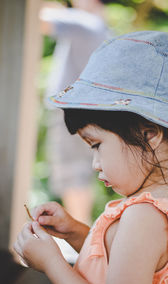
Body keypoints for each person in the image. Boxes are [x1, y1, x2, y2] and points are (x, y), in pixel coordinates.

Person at [14, 31, 168, 284]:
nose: (95, 164)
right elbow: (124, 264)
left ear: (150, 134)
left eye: (96, 145)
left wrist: (52, 263)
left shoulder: (145, 217)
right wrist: (76, 233)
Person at [40, 0, 110, 226]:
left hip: (70, 112)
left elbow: (41, 19)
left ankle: (81, 235)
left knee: (72, 172)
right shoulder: (100, 25)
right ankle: (84, 234)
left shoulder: (84, 22)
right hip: (85, 110)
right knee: (79, 171)